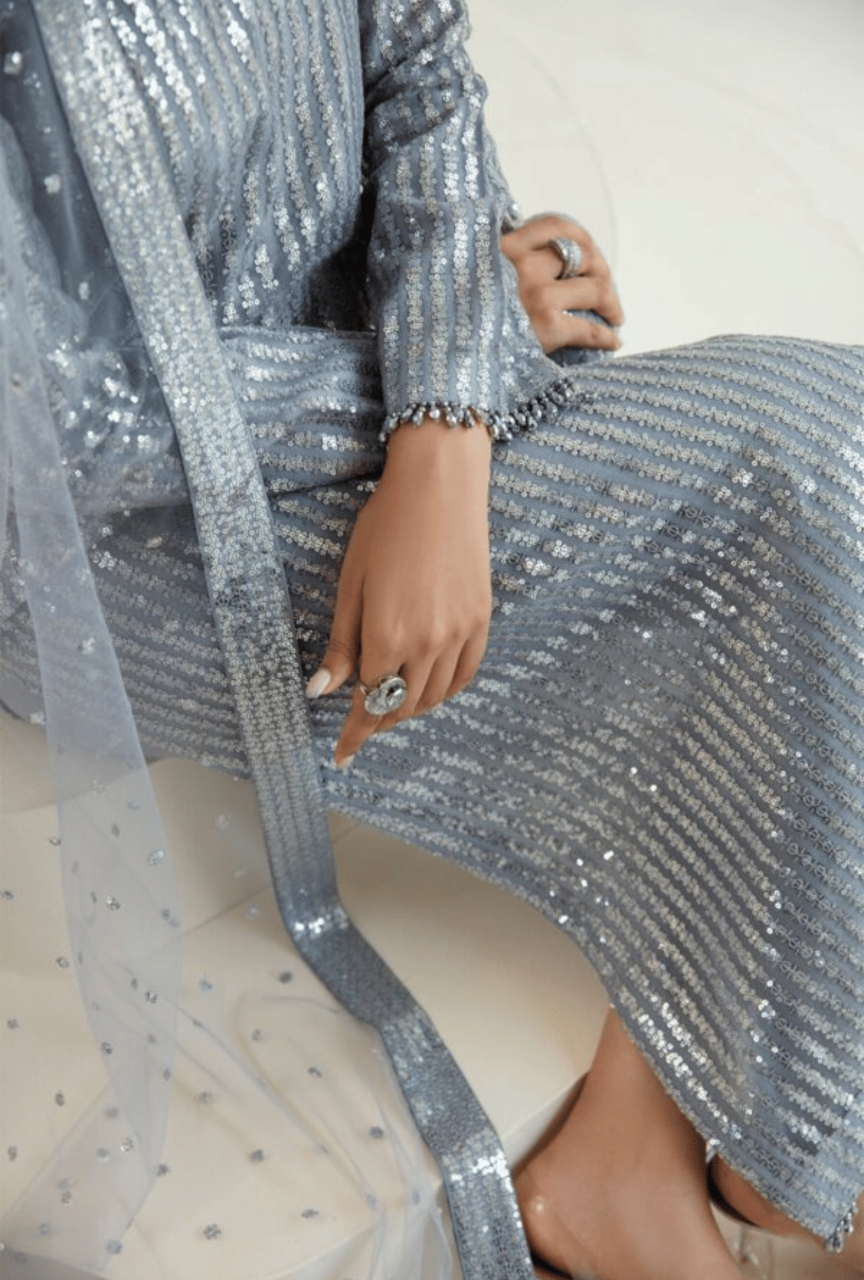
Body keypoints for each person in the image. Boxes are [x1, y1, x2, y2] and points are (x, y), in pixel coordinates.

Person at [2, 1, 864, 1278]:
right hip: (142, 527)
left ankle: (645, 1138)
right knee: (814, 466)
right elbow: (57, 418)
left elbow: (416, 58)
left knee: (818, 469)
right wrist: (435, 360)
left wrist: (445, 399)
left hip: (391, 383)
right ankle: (700, 1157)